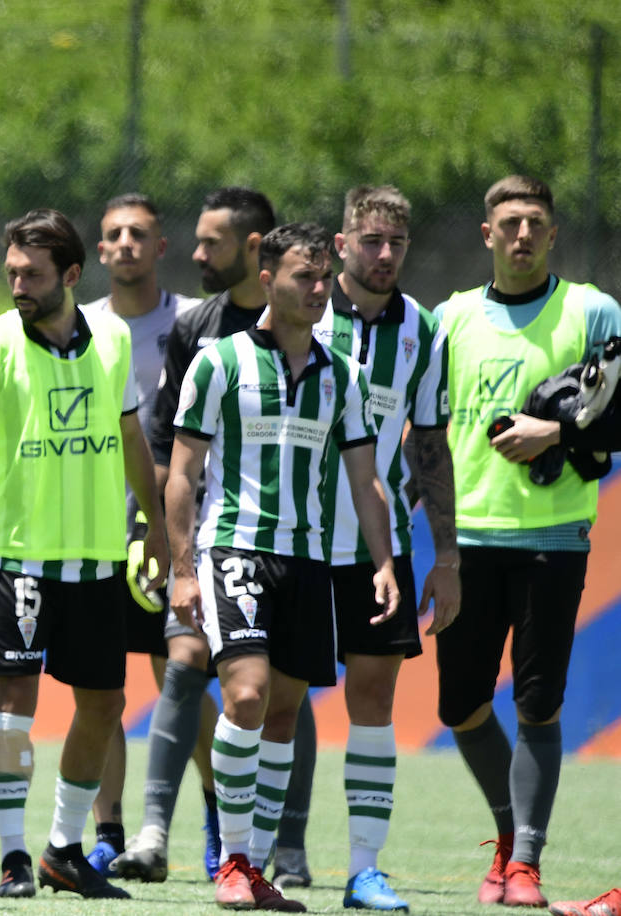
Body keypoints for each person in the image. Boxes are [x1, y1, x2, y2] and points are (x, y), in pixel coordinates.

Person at [0, 207, 167, 901]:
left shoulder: (114, 338)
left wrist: (154, 526)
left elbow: (130, 436)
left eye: (31, 275)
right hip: (20, 560)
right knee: (13, 704)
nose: (18, 287)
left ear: (69, 274)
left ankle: (64, 848)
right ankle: (12, 857)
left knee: (104, 704)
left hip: (97, 559)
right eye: (10, 274)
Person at [166, 222, 399, 912]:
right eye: (306, 276)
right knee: (245, 695)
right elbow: (182, 475)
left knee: (283, 715)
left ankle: (255, 867)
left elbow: (367, 481)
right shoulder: (220, 362)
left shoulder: (344, 375)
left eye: (325, 277)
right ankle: (233, 859)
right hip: (234, 548)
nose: (320, 289)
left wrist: (383, 563)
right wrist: (182, 568)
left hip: (311, 563)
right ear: (267, 279)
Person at [434, 175, 621, 908]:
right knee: (461, 705)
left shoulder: (591, 310)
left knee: (538, 702)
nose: (521, 234)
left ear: (552, 235)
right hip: (468, 538)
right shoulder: (449, 319)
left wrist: (562, 428)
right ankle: (510, 836)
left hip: (554, 535)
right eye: (508, 222)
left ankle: (525, 865)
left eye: (535, 222)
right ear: (486, 233)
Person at [301, 186, 460, 911]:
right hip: (291, 541)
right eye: (371, 240)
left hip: (377, 551)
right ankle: (262, 856)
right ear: (341, 244)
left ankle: (365, 868)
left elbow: (430, 445)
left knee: (372, 701)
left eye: (397, 241)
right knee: (274, 702)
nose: (385, 254)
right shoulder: (302, 311)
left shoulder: (423, 329)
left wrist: (445, 558)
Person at [120, 186, 276, 884]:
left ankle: (271, 844)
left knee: (279, 695)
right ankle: (154, 832)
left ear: (253, 247)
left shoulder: (307, 322)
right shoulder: (194, 326)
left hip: (283, 535)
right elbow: (164, 443)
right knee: (183, 663)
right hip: (205, 530)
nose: (196, 253)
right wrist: (158, 533)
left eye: (211, 242)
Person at [76, 192, 198, 877]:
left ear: (161, 248)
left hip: (175, 530)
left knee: (183, 674)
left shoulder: (190, 323)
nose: (125, 243)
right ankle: (110, 832)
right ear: (99, 252)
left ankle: (214, 824)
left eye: (139, 234)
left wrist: (165, 526)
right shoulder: (81, 326)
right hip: (96, 531)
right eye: (114, 234)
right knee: (103, 690)